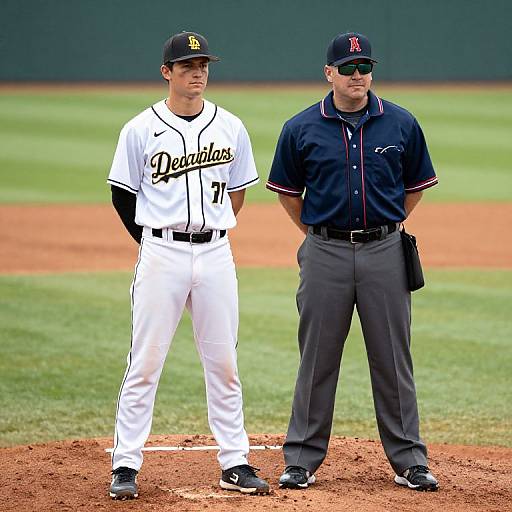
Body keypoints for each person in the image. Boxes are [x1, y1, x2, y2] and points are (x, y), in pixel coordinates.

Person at [267, 32, 439, 492]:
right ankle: (301, 458)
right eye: (347, 68)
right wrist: (318, 236)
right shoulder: (300, 128)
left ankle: (409, 461)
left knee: (392, 358)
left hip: (386, 250)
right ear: (329, 73)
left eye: (364, 66)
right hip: (325, 251)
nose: (358, 74)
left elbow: (416, 184)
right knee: (317, 358)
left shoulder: (400, 123)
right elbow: (287, 192)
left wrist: (385, 226)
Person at [107, 31, 269, 499]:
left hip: (217, 253)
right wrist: (155, 242)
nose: (197, 73)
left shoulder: (230, 126)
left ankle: (234, 461)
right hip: (162, 253)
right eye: (187, 66)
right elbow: (122, 194)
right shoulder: (140, 128)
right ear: (167, 73)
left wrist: (211, 232)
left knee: (223, 362)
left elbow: (238, 191)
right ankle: (125, 465)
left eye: (202, 66)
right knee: (146, 361)